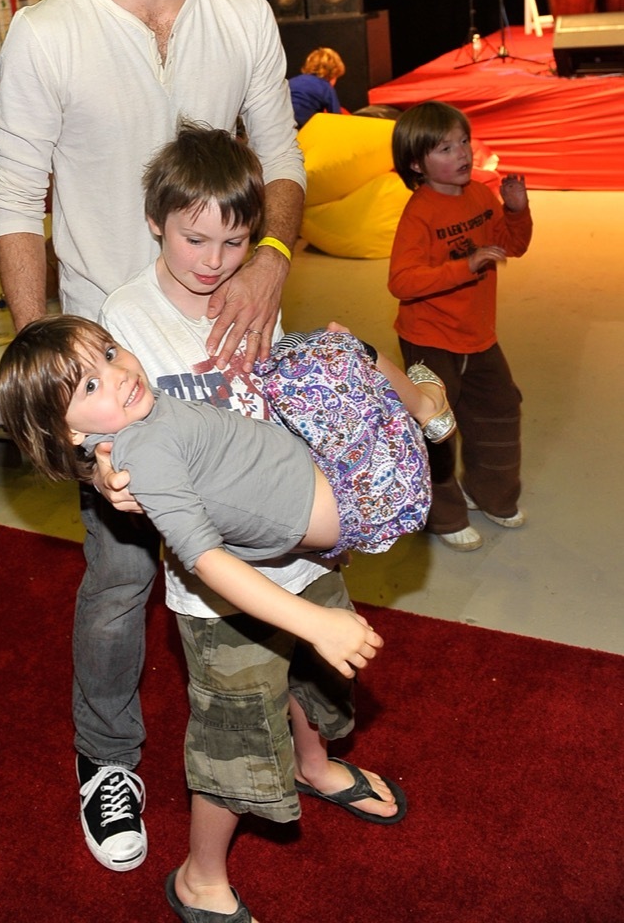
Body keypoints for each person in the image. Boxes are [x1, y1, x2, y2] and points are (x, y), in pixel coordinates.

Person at [0, 0, 306, 874]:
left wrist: (272, 257)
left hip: (228, 342)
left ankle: (296, 736)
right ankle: (107, 757)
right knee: (124, 580)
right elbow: (15, 201)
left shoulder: (245, 15)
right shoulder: (47, 33)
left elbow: (283, 162)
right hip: (113, 372)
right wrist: (55, 377)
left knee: (266, 547)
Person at [94, 121, 418, 919]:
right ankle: (200, 875)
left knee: (313, 669)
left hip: (299, 539)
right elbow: (101, 428)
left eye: (234, 242)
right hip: (218, 578)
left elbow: (280, 397)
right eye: (194, 239)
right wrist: (105, 474)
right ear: (155, 221)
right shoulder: (124, 316)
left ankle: (315, 764)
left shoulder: (252, 287)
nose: (213, 261)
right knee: (235, 731)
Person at [388, 100, 533, 552]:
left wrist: (516, 211)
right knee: (436, 425)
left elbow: (512, 246)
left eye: (464, 142)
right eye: (446, 148)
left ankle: (490, 493)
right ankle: (443, 514)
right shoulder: (420, 213)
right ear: (417, 164)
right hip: (429, 340)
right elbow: (401, 281)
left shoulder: (479, 196)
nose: (463, 154)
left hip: (479, 335)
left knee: (500, 411)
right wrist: (464, 266)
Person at [287, 46, 348, 128]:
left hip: (280, 122)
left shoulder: (293, 81)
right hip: (301, 126)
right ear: (333, 74)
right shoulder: (326, 87)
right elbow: (337, 118)